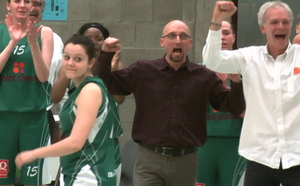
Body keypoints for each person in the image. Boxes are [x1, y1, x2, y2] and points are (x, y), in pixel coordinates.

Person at [96, 20, 245, 186]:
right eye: (172, 36)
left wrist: (236, 83)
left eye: (183, 36)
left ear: (189, 43)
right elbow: (106, 83)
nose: (178, 40)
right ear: (162, 42)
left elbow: (234, 105)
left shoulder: (203, 77)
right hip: (149, 159)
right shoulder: (143, 71)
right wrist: (105, 55)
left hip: (185, 161)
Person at [203, 1, 300, 185]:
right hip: (260, 158)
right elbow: (212, 61)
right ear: (262, 28)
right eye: (274, 22)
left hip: (297, 158)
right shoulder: (248, 58)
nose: (281, 27)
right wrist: (216, 21)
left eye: (285, 22)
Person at [15, 34, 119, 186]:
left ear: (91, 63)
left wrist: (34, 153)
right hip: (77, 168)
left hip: (91, 172)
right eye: (67, 57)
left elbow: (75, 142)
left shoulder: (90, 90)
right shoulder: (78, 87)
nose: (70, 63)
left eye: (78, 59)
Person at [51, 22, 125, 186]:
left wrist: (112, 69)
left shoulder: (115, 65)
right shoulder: (70, 66)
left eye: (99, 39)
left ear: (106, 42)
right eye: (88, 38)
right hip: (77, 140)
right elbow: (55, 97)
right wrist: (67, 72)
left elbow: (120, 99)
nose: (94, 42)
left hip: (106, 140)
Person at [0, 0, 53, 186]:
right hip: (3, 117)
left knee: (32, 180)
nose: (22, 5)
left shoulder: (44, 32)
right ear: (8, 5)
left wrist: (33, 44)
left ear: (32, 6)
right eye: (17, 1)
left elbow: (43, 76)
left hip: (33, 119)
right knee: (2, 177)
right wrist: (13, 42)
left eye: (28, 1)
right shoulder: (0, 32)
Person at [196, 20, 247, 186]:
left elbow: (251, 115)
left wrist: (227, 93)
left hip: (234, 144)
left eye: (226, 33)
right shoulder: (197, 72)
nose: (222, 38)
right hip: (203, 144)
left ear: (234, 37)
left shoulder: (246, 71)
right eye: (218, 34)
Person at [29, 0, 64, 144]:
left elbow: (62, 83)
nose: (32, 8)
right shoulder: (3, 37)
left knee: (40, 165)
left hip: (43, 116)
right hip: (8, 116)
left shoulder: (55, 40)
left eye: (37, 4)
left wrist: (61, 125)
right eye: (25, 2)